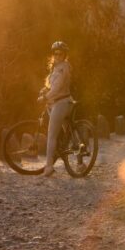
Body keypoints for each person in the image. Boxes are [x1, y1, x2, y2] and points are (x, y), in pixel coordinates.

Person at [37, 40, 73, 177]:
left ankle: (49, 166)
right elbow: (51, 85)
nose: (58, 55)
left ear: (64, 55)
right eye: (55, 53)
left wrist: (46, 97)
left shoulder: (65, 67)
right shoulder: (55, 68)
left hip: (62, 102)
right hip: (56, 102)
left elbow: (58, 87)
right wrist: (44, 90)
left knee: (51, 135)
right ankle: (74, 159)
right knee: (65, 132)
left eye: (60, 53)